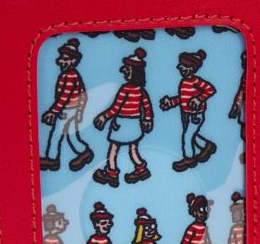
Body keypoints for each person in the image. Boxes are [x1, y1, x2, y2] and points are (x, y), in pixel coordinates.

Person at [92, 47, 153, 187]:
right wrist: (147, 119)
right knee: (133, 148)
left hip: (122, 123)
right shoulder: (141, 91)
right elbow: (147, 107)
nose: (124, 71)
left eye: (127, 69)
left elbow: (116, 108)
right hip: (135, 123)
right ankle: (141, 169)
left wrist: (104, 117)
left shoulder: (125, 89)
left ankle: (111, 173)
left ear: (134, 72)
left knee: (114, 149)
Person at [40, 38, 94, 172]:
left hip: (67, 111)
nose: (60, 61)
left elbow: (65, 97)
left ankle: (52, 159)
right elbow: (82, 94)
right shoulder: (71, 75)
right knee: (71, 135)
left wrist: (53, 111)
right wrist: (79, 111)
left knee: (56, 134)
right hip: (71, 110)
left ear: (73, 61)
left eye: (65, 59)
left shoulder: (70, 76)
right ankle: (84, 153)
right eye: (61, 58)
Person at [159, 49, 217, 172]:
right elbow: (182, 98)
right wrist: (171, 103)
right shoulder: (184, 82)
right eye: (180, 66)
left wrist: (199, 99)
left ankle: (189, 159)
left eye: (183, 66)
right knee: (191, 134)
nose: (179, 68)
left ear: (192, 68)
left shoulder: (196, 81)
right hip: (185, 113)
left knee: (187, 135)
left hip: (195, 114)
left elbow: (210, 89)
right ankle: (207, 146)